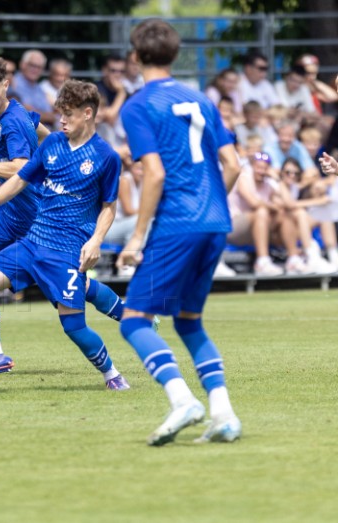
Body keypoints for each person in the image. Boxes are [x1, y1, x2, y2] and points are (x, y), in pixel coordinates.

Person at [0, 56, 133, 356]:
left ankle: (125, 315)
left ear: (6, 85)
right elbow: (44, 135)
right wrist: (5, 168)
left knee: (69, 294)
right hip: (9, 213)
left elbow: (21, 167)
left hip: (34, 220)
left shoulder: (14, 122)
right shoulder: (13, 113)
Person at [117, 19, 242, 445]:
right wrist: (212, 209)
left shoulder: (136, 105)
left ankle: (181, 399)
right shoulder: (201, 98)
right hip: (215, 222)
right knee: (189, 322)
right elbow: (235, 165)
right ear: (174, 54)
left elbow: (151, 173)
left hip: (177, 224)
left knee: (134, 322)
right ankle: (223, 414)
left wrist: (137, 236)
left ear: (135, 56)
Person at [11, 50, 55, 126]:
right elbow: (24, 112)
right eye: (32, 65)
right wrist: (49, 117)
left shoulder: (39, 88)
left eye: (39, 67)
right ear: (22, 64)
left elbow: (50, 111)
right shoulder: (13, 83)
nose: (36, 70)